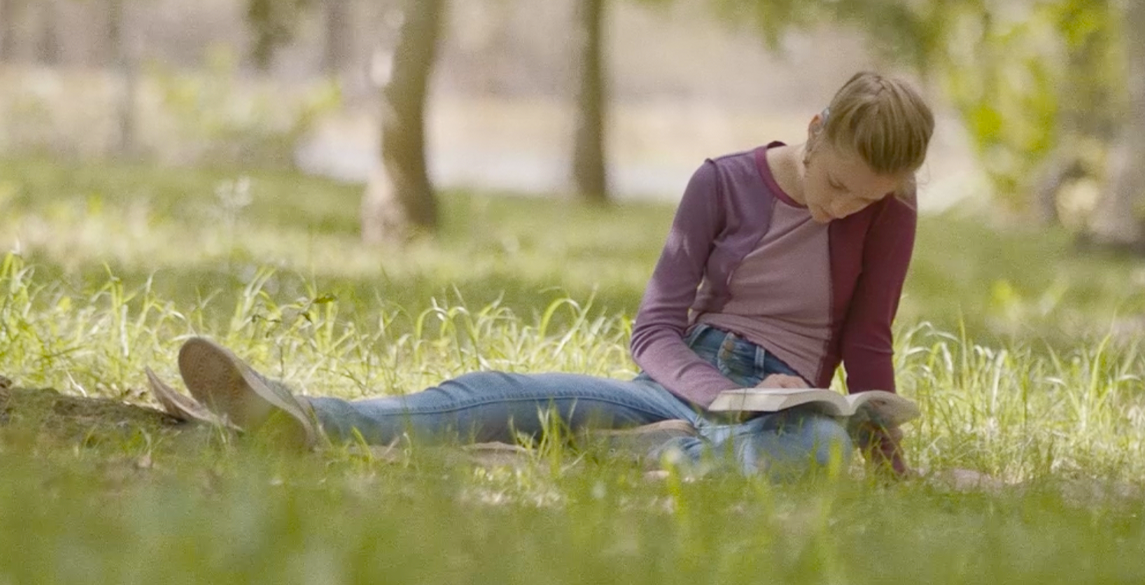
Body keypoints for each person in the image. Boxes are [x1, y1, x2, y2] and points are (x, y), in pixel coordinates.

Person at [174, 71, 934, 477]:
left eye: (865, 198)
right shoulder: (721, 183)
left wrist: (889, 464)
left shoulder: (888, 209)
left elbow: (868, 340)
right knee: (505, 393)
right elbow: (655, 329)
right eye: (836, 184)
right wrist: (721, 395)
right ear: (814, 130)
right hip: (686, 379)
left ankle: (645, 451)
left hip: (787, 404)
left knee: (819, 453)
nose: (843, 210)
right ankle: (303, 415)